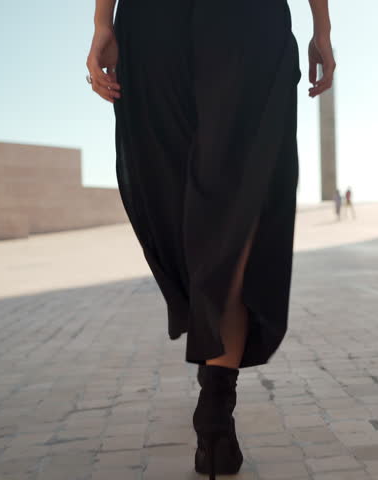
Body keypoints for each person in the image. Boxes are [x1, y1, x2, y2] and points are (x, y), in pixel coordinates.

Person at [86, 1, 335, 478]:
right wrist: (322, 27)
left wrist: (102, 22)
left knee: (190, 199)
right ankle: (216, 407)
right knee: (233, 203)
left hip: (156, 22)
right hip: (244, 20)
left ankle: (216, 393)